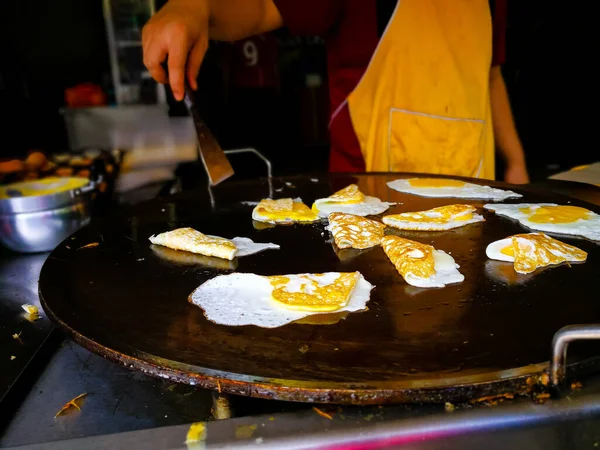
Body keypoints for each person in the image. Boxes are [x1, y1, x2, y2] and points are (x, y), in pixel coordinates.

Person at [142, 0, 530, 183]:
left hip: (475, 193)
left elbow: (489, 76)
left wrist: (515, 162)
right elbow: (261, 9)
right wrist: (194, 7)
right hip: (368, 209)